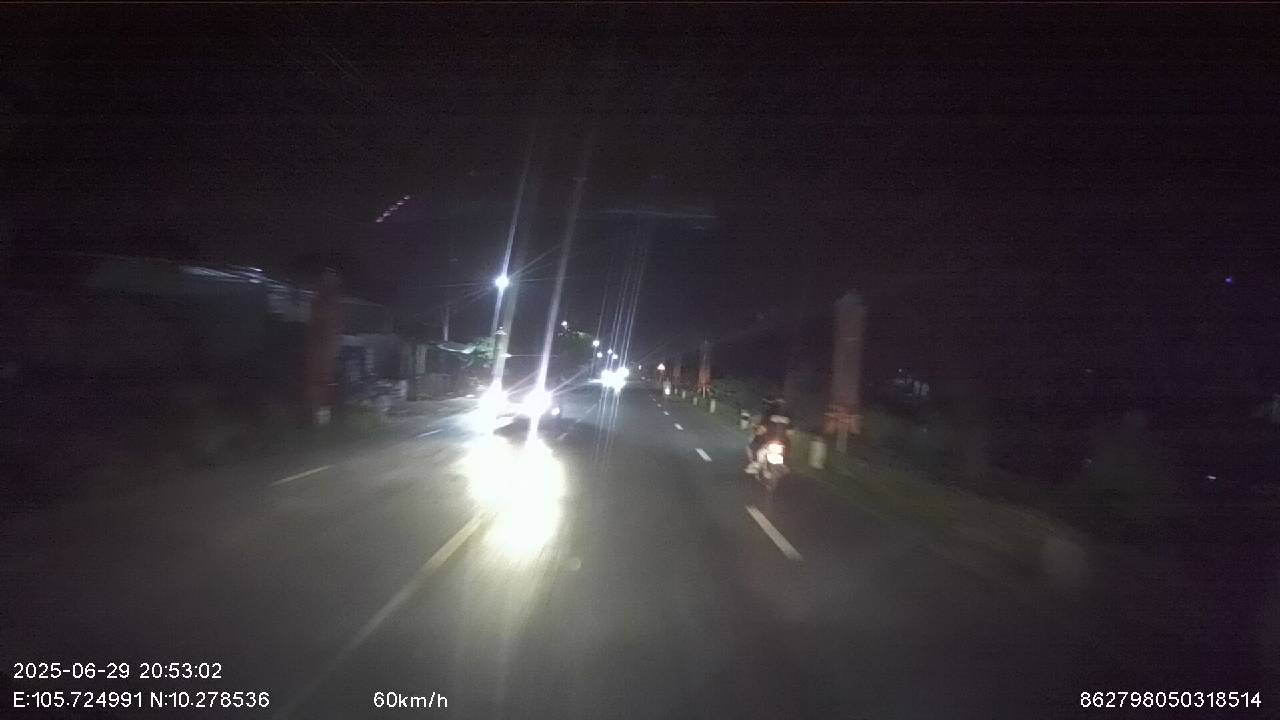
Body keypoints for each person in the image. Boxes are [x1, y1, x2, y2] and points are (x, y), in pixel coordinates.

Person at [745, 395, 789, 474]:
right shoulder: (788, 414)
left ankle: (755, 464)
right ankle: (784, 463)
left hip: (768, 439)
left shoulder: (770, 413)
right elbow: (790, 431)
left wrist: (757, 430)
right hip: (782, 440)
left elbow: (762, 428)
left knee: (754, 444)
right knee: (788, 444)